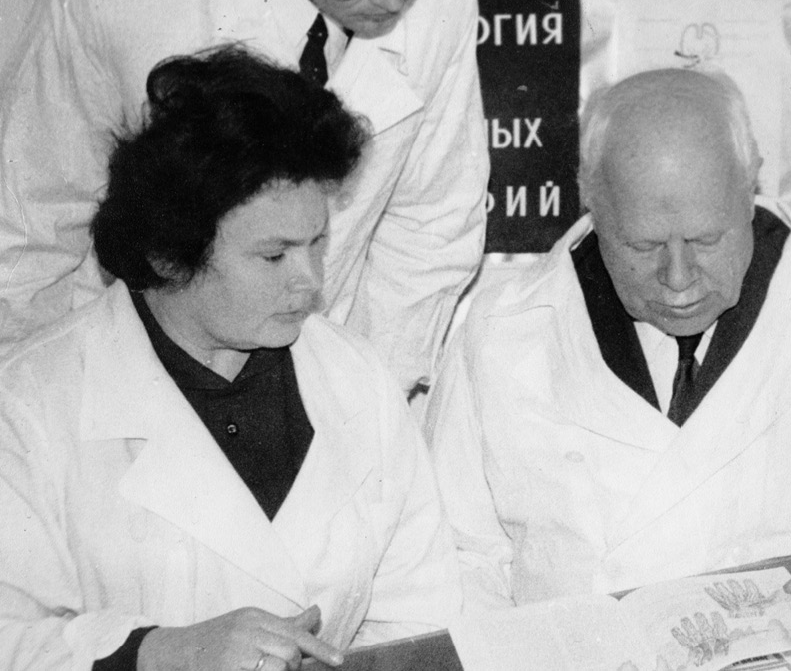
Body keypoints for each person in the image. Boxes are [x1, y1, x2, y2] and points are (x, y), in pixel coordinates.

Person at [429, 68, 791, 623]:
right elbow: (452, 559)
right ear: (591, 202)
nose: (678, 278)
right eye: (642, 246)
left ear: (750, 185)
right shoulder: (502, 333)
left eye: (707, 240)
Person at [0, 0, 488, 397]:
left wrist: (361, 406)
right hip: (132, 380)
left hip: (326, 376)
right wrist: (38, 409)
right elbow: (30, 238)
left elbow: (431, 224)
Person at [0, 46, 463, 671]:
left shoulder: (356, 380)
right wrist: (155, 652)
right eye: (274, 256)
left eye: (317, 243)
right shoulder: (30, 404)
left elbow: (417, 617)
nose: (310, 281)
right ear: (170, 255)